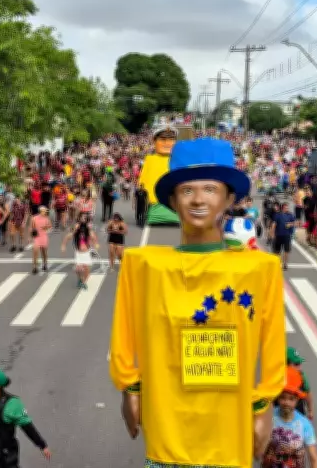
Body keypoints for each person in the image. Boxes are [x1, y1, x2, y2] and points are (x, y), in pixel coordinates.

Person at [109, 138, 286, 467]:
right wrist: (130, 386)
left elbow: (274, 339)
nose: (199, 200)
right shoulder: (143, 265)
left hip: (228, 435)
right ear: (173, 201)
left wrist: (263, 403)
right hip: (166, 432)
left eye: (210, 189)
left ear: (229, 197)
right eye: (187, 190)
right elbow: (124, 329)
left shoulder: (259, 268)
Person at [261, 366, 317, 468]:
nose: (286, 403)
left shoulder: (304, 424)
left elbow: (314, 459)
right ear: (278, 397)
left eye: (291, 399)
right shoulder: (268, 417)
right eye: (283, 398)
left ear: (297, 400)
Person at [270, 202, 296, 271]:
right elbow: (274, 224)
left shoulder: (290, 215)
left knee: (286, 250)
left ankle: (285, 264)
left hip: (287, 235)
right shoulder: (277, 215)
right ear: (282, 208)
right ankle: (277, 264)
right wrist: (272, 234)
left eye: (287, 207)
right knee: (277, 251)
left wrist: (290, 224)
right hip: (278, 235)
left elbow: (294, 223)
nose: (286, 208)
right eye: (285, 207)